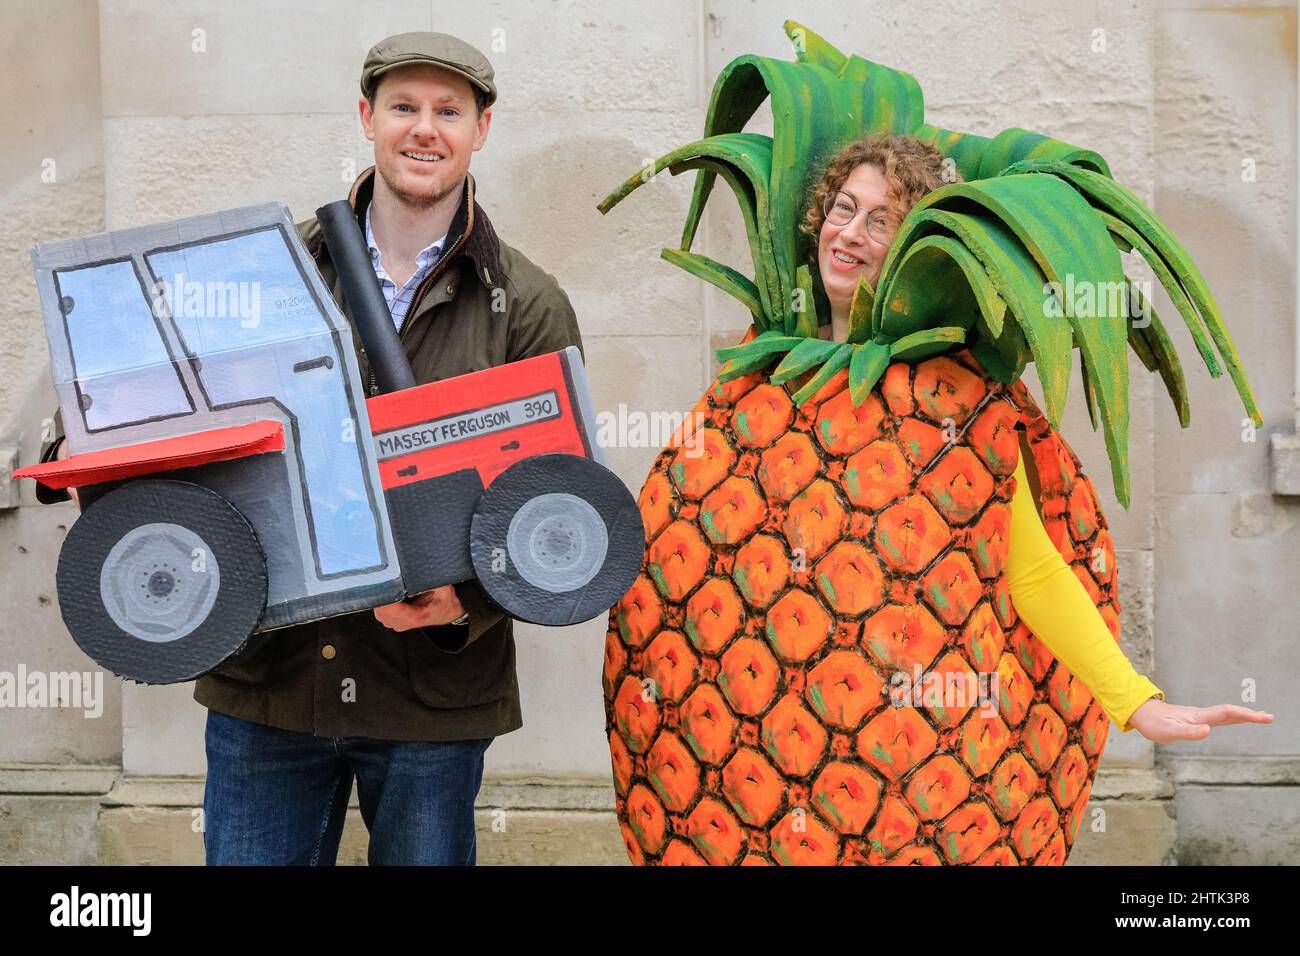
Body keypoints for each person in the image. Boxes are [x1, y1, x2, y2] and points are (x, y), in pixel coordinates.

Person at [44, 31, 584, 865]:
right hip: (273, 687)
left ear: (483, 130)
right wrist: (88, 424)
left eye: (449, 110)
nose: (424, 129)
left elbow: (555, 507)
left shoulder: (529, 304)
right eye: (403, 106)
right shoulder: (267, 271)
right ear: (368, 117)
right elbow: (173, 410)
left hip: (430, 701)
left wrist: (465, 606)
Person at [803, 133, 1272, 744]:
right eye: (845, 208)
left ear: (915, 250)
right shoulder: (763, 378)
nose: (852, 233)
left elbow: (1030, 569)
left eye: (882, 221)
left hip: (904, 746)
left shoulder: (951, 400)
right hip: (784, 734)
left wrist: (1135, 702)